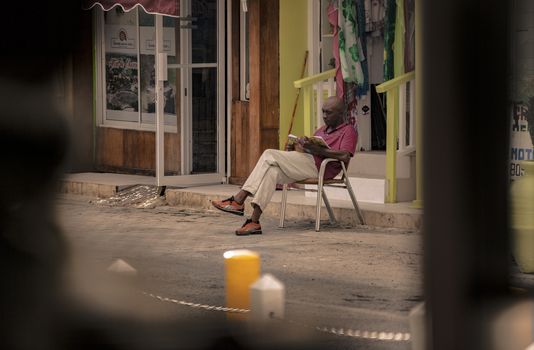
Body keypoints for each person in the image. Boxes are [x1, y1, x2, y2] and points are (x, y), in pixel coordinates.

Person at [211, 96, 357, 236]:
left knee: (269, 154)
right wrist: (299, 145)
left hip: (321, 168)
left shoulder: (348, 130)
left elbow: (344, 156)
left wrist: (317, 150)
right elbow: (310, 151)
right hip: (306, 163)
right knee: (272, 172)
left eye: (329, 112)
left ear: (340, 113)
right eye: (323, 111)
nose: (324, 116)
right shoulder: (321, 130)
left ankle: (239, 199)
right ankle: (254, 222)